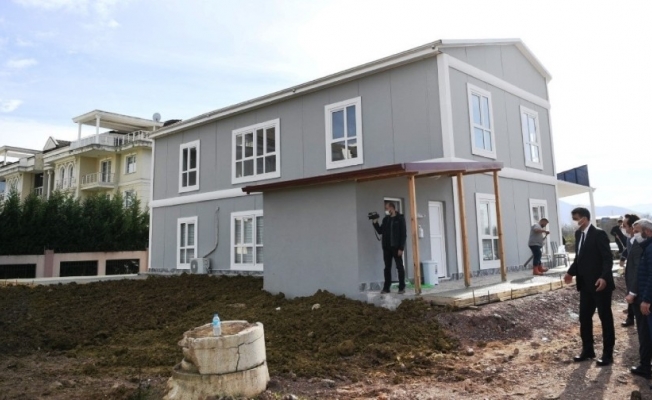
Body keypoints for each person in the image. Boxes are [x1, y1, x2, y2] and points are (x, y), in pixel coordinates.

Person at [564, 207, 616, 366]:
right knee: (584, 317)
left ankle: (608, 354)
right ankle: (588, 350)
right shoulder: (578, 234)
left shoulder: (598, 234)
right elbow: (579, 258)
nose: (574, 222)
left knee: (605, 318)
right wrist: (570, 272)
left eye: (576, 219)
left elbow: (607, 259)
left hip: (600, 285)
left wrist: (603, 277)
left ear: (585, 218)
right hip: (585, 285)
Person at [623, 216, 651, 378]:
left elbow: (642, 273)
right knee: (644, 332)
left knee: (645, 332)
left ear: (648, 231)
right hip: (641, 294)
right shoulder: (641, 245)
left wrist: (633, 293)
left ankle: (645, 366)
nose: (634, 234)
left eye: (637, 231)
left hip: (642, 295)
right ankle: (645, 364)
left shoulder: (646, 248)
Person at [373, 201, 407, 294]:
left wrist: (401, 248)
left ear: (392, 208)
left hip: (396, 247)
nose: (386, 210)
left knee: (399, 267)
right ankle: (386, 288)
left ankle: (401, 287)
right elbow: (380, 231)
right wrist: (375, 222)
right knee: (387, 268)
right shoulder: (386, 219)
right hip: (387, 247)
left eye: (387, 208)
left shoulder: (400, 218)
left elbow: (403, 234)